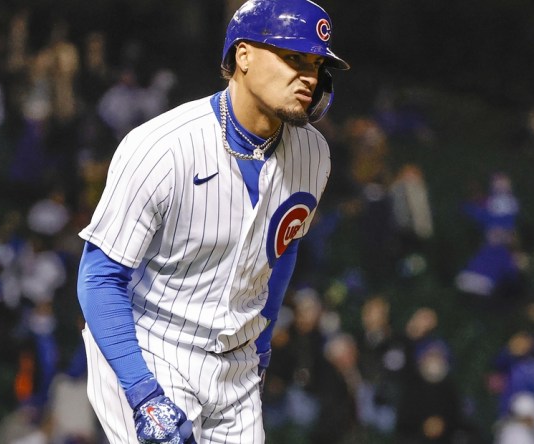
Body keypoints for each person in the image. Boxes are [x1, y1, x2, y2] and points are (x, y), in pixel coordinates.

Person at [75, 1, 349, 443]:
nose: (309, 76)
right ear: (243, 56)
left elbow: (282, 246)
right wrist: (143, 393)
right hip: (152, 346)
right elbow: (100, 277)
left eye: (316, 64)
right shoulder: (162, 147)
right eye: (293, 58)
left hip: (235, 367)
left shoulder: (314, 156)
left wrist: (261, 346)